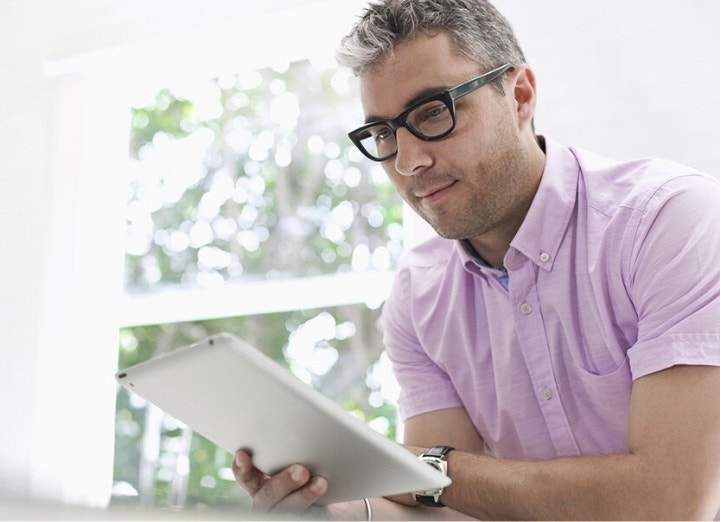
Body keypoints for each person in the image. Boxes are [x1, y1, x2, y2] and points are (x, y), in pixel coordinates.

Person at [232, 0, 720, 519]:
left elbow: (673, 501)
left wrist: (424, 468)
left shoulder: (668, 221)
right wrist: (324, 507)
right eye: (383, 134)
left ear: (520, 95)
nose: (409, 161)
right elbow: (436, 512)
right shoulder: (420, 293)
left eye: (433, 113)